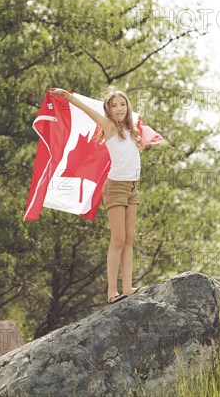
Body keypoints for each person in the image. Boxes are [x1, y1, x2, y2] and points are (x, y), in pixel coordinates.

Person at [50, 87, 148, 305]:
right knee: (118, 239)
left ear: (128, 107)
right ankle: (112, 292)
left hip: (132, 189)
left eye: (123, 104)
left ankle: (128, 287)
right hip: (116, 188)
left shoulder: (132, 131)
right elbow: (87, 111)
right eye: (114, 105)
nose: (119, 108)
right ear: (109, 110)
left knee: (129, 239)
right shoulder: (110, 127)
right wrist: (68, 97)